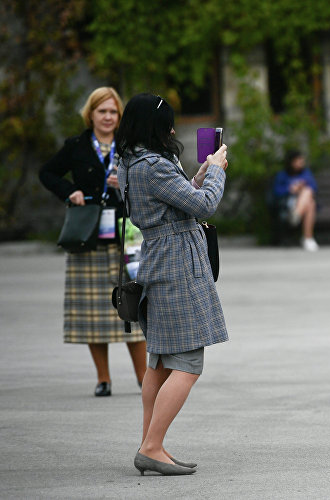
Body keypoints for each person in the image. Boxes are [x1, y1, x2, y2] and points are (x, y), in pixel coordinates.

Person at [116, 93, 229, 475]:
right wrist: (216, 170)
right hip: (177, 264)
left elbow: (176, 198)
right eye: (167, 123)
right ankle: (151, 446)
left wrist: (195, 175)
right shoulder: (154, 165)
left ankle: (152, 443)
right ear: (156, 125)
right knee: (189, 363)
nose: (172, 129)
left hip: (157, 260)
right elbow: (206, 205)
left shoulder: (131, 162)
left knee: (161, 361)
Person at [39, 87, 146, 397]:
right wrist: (68, 191)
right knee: (93, 312)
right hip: (88, 238)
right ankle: (103, 379)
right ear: (91, 114)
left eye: (114, 112)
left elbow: (151, 183)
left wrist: (124, 182)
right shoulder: (76, 146)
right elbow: (47, 173)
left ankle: (143, 378)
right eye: (103, 111)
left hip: (128, 234)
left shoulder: (131, 147)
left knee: (133, 305)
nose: (109, 117)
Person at [271, 150, 320, 251]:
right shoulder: (283, 175)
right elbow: (276, 191)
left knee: (309, 197)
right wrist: (290, 189)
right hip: (288, 202)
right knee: (311, 203)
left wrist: (301, 187)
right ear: (292, 162)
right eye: (298, 161)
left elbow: (314, 187)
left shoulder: (306, 173)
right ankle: (308, 238)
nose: (301, 163)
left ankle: (296, 215)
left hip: (302, 204)